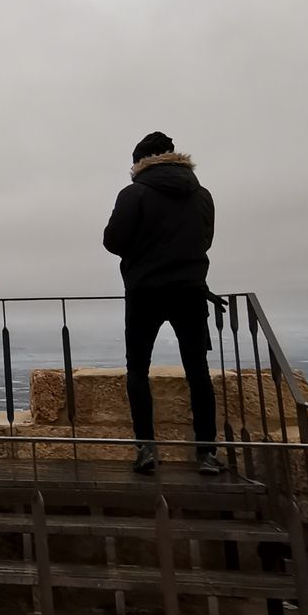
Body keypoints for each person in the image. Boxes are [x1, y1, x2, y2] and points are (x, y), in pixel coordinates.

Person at [102, 131, 223, 476]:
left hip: (145, 290)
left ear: (140, 161)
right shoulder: (202, 195)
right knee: (197, 371)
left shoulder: (134, 193)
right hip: (190, 289)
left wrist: (143, 250)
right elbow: (206, 239)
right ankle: (207, 452)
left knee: (138, 370)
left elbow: (113, 241)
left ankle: (146, 449)